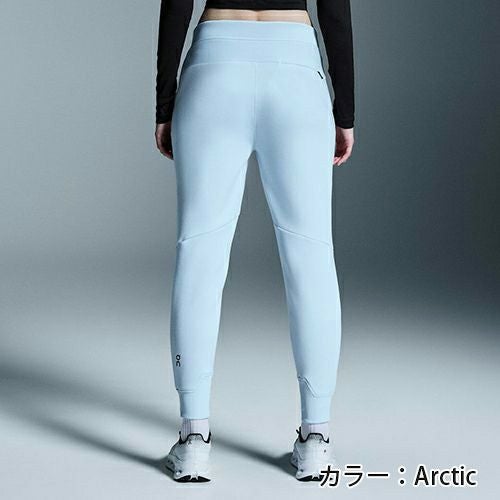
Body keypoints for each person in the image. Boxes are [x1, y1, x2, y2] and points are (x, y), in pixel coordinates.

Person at [155, 0, 354, 482]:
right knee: (311, 255)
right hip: (296, 66)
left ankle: (194, 439)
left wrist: (164, 104)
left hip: (215, 63)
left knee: (199, 252)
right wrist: (344, 112)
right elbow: (335, 10)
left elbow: (177, 3)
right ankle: (315, 440)